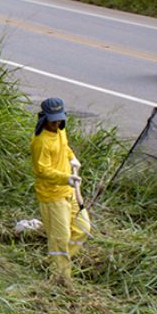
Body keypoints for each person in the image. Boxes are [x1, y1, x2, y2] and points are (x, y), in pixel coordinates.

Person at [30, 97, 90, 283]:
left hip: (68, 192)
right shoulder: (40, 142)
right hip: (52, 196)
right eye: (53, 119)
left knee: (83, 228)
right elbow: (42, 170)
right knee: (60, 238)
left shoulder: (60, 130)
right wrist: (66, 178)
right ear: (44, 118)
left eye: (59, 119)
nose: (56, 123)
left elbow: (64, 147)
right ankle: (61, 279)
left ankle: (54, 262)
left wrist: (72, 158)